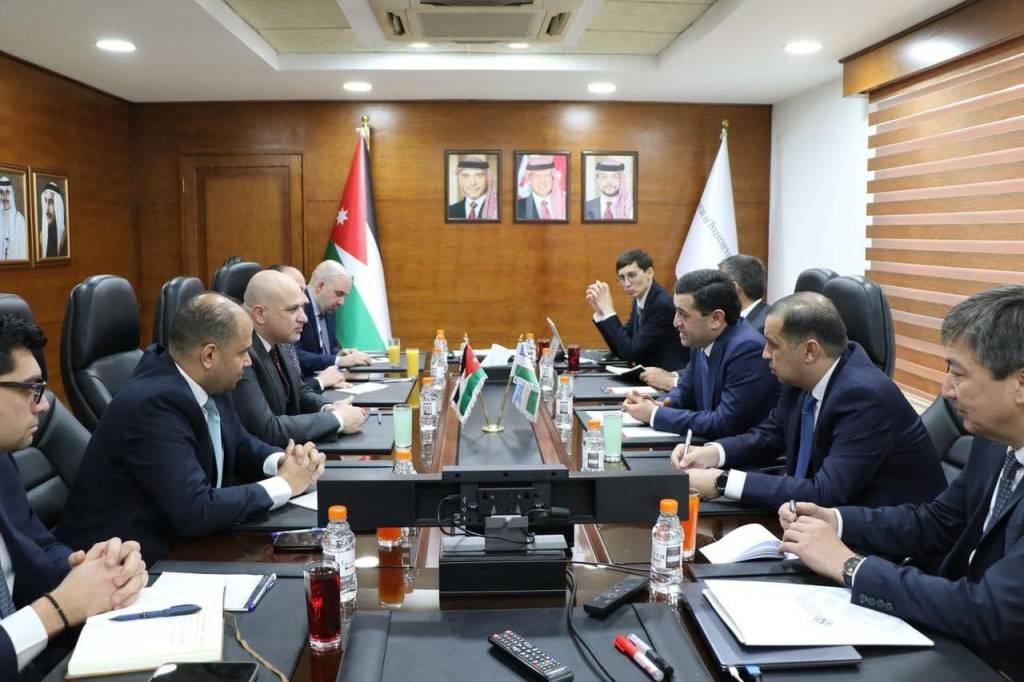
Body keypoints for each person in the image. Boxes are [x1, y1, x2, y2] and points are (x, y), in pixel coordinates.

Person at [778, 285, 1024, 679]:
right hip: (956, 640)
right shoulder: (995, 442)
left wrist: (850, 565)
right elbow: (936, 522)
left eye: (959, 373)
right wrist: (836, 521)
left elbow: (991, 611)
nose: (945, 390)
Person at [57, 293, 326, 564]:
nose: (249, 362)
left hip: (186, 541)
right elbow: (195, 510)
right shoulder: (153, 405)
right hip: (124, 562)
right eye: (243, 352)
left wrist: (283, 462)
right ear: (209, 355)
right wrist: (285, 484)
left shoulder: (207, 378)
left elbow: (240, 443)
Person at [677, 292, 946, 510]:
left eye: (772, 344)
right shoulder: (801, 379)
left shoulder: (864, 397)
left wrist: (723, 482)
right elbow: (769, 436)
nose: (764, 354)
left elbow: (826, 493)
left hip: (884, 541)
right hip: (814, 521)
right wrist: (712, 453)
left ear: (809, 351)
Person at [0, 314, 146, 680]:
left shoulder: (2, 461)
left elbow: (39, 544)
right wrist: (60, 608)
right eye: (31, 388)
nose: (44, 405)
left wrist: (90, 568)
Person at [622, 269, 779, 439]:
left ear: (716, 319)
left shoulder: (747, 350)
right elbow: (686, 391)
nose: (675, 322)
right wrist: (660, 404)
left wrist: (654, 414)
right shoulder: (701, 338)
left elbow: (724, 424)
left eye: (683, 314)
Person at [232, 270, 367, 447]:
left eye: (302, 307)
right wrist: (337, 420)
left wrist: (328, 408)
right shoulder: (240, 353)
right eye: (292, 309)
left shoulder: (279, 338)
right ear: (260, 314)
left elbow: (300, 391)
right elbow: (267, 430)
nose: (304, 318)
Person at [587, 248, 690, 370]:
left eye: (632, 275)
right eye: (622, 278)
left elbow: (630, 353)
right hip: (648, 372)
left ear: (649, 273)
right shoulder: (641, 298)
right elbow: (622, 345)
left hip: (667, 375)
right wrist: (602, 313)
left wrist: (609, 311)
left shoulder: (661, 304)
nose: (626, 284)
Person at [268, 264, 349, 390]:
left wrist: (338, 358)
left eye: (304, 291)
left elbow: (297, 388)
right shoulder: (255, 350)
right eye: (292, 309)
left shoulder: (327, 309)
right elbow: (287, 394)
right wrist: (321, 381)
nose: (306, 299)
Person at [294, 260, 371, 378]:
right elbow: (295, 356)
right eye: (339, 294)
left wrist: (340, 354)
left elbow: (328, 349)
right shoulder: (297, 307)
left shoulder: (328, 307)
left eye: (344, 296)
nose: (342, 302)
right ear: (320, 286)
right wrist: (339, 361)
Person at [718, 254, 768, 333]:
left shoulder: (766, 327)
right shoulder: (726, 318)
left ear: (734, 288)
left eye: (718, 283)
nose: (715, 288)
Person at [448, 155, 497, 220]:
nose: (472, 183)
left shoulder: (497, 209)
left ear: (488, 179)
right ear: (459, 180)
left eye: (479, 176)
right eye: (466, 176)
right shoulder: (450, 211)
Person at [516, 155, 565, 221]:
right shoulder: (517, 208)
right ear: (529, 180)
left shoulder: (566, 204)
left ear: (553, 178)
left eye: (546, 175)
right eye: (537, 176)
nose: (542, 180)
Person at [0, 176, 28, 261]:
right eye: (1, 192)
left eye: (7, 192)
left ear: (11, 194)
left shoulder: (20, 220)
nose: (4, 197)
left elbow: (23, 252)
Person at [36, 183, 67, 259]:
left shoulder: (65, 234)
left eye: (50, 202)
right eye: (45, 201)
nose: (46, 209)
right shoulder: (41, 234)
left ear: (58, 206)